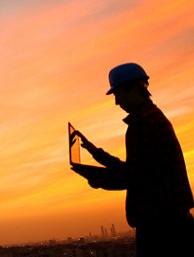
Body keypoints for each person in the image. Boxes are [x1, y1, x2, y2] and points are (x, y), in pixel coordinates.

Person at [72, 62, 194, 256]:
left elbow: (134, 177)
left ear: (133, 89)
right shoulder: (151, 118)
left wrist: (96, 179)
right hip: (172, 221)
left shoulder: (142, 123)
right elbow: (138, 169)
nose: (117, 102)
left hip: (162, 226)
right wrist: (96, 153)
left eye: (118, 95)